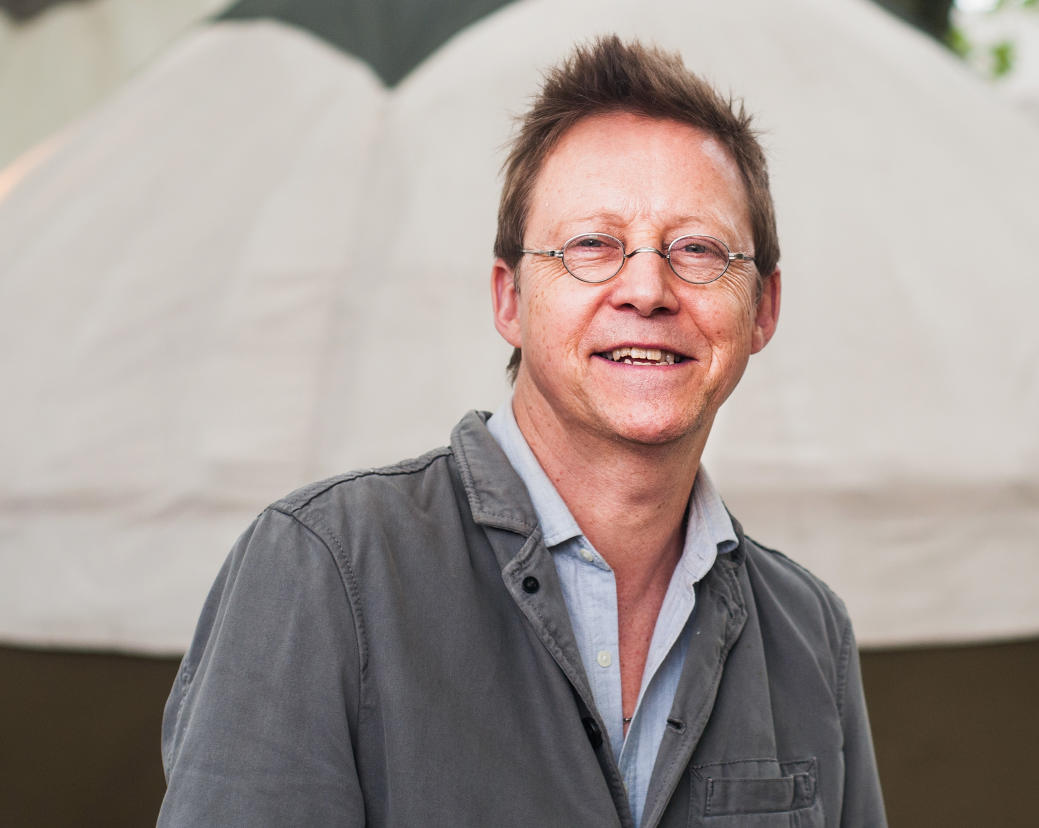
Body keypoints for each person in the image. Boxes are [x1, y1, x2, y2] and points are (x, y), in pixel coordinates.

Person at [158, 36, 886, 828]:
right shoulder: (324, 573)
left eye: (697, 251)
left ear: (763, 310)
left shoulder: (810, 634)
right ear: (509, 300)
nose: (646, 288)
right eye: (591, 246)